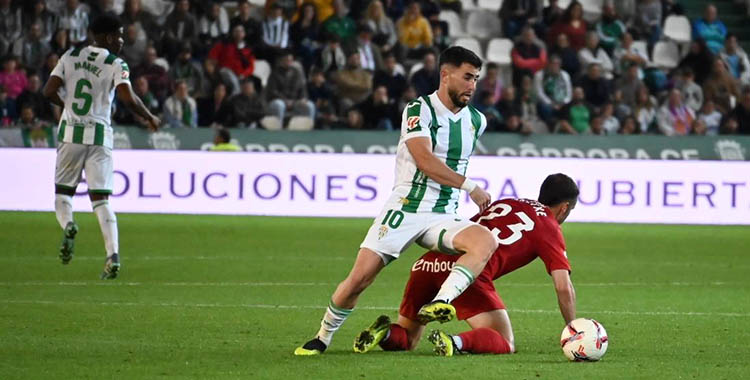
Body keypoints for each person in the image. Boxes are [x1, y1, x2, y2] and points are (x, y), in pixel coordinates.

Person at [295, 46, 496, 356]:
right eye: (467, 77)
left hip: (444, 213)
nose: (473, 85)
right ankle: (322, 336)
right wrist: (471, 186)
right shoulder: (419, 110)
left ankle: (441, 302)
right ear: (446, 75)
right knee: (360, 278)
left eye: (476, 79)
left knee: (485, 241)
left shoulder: (476, 120)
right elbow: (424, 160)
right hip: (406, 208)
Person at [353, 174, 579, 356]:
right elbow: (562, 286)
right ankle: (454, 342)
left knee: (408, 338)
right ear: (564, 208)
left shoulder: (509, 202)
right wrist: (572, 329)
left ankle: (384, 334)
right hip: (466, 271)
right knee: (503, 341)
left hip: (427, 263)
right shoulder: (549, 227)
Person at [42, 14, 160, 279]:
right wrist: (149, 117)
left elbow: (47, 91)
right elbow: (128, 99)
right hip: (99, 137)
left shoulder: (69, 56)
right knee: (101, 200)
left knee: (63, 195)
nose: (121, 41)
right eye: (118, 35)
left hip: (71, 134)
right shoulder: (115, 63)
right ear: (106, 37)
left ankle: (70, 224)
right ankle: (113, 256)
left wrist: (68, 106)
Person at [266, 50, 315, 123]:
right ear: (282, 61)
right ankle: (278, 128)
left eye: (291, 60)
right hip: (278, 101)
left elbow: (302, 88)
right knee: (280, 104)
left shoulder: (296, 72)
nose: (289, 62)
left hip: (294, 102)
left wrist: (303, 98)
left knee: (310, 105)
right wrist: (285, 101)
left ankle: (308, 127)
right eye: (287, 60)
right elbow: (273, 92)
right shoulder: (275, 73)